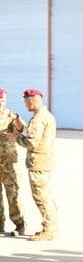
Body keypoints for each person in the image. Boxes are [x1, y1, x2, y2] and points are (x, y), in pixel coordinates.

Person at [14, 89, 58, 241]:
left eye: (26, 102)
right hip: (46, 161)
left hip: (38, 163)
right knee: (46, 195)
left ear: (31, 101)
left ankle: (48, 230)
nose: (26, 105)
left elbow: (31, 142)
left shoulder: (38, 119)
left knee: (41, 197)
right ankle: (51, 226)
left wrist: (17, 138)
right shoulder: (48, 116)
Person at [0, 89, 27, 236]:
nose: (1, 103)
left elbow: (21, 128)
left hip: (9, 162)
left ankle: (20, 224)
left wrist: (16, 117)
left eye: (3, 100)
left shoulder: (10, 115)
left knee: (13, 194)